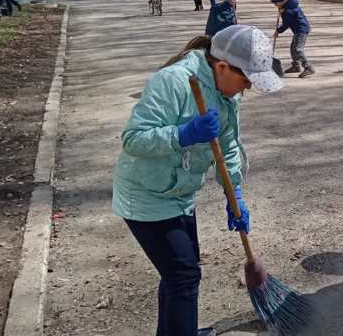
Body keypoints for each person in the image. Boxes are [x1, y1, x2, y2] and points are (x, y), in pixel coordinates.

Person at [112, 24, 281, 336]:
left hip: (178, 191)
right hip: (146, 194)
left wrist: (236, 195)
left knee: (179, 273)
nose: (247, 88)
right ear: (222, 66)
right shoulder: (174, 82)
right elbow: (133, 139)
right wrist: (182, 134)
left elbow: (228, 146)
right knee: (183, 275)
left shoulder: (226, 93)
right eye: (246, 79)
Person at [270, 0, 314, 78]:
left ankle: (308, 67)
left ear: (280, 1)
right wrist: (282, 9)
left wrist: (278, 31)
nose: (275, 5)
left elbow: (286, 24)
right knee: (293, 48)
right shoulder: (289, 4)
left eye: (275, 4)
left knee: (298, 49)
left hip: (301, 30)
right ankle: (296, 66)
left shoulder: (288, 11)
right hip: (298, 29)